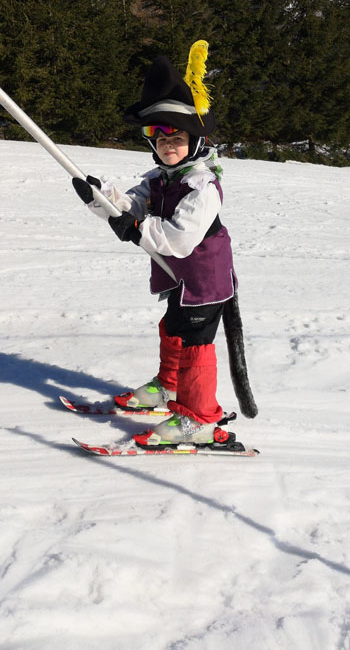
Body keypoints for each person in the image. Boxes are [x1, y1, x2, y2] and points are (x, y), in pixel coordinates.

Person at [72, 41, 237, 447]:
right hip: (179, 276)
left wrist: (136, 228)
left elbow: (178, 238)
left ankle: (199, 420)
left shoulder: (201, 186)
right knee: (173, 329)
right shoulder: (161, 178)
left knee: (196, 344)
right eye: (158, 138)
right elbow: (131, 206)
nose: (166, 145)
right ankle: (169, 387)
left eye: (175, 138)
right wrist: (102, 198)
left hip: (203, 278)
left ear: (195, 141)